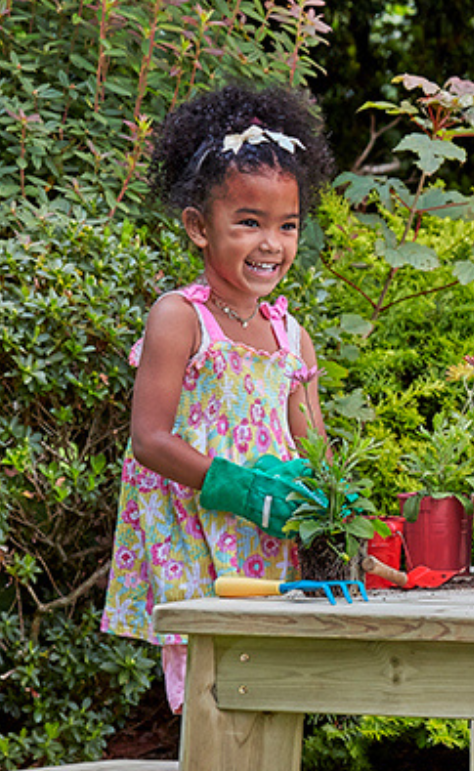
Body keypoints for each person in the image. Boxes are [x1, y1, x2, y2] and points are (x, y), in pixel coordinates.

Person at [102, 84, 337, 712]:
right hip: (197, 537)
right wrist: (240, 488)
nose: (272, 244)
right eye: (249, 223)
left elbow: (314, 447)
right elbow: (149, 440)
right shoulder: (180, 319)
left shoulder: (291, 336)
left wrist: (337, 504)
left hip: (270, 543)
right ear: (199, 228)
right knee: (212, 696)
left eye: (288, 226)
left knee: (270, 695)